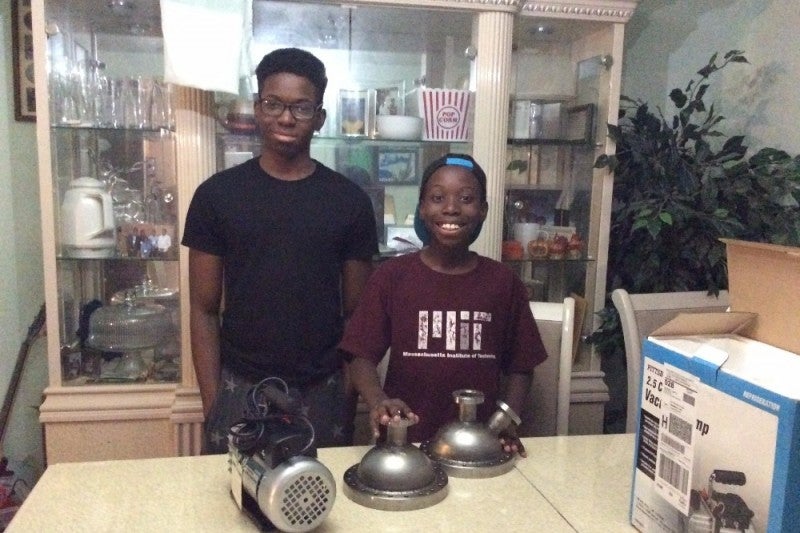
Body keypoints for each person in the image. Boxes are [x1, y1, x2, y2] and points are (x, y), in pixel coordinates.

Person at [181, 47, 379, 454]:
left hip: (322, 388)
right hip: (240, 386)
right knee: (233, 508)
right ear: (257, 109)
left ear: (320, 117)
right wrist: (214, 401)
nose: (286, 118)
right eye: (274, 104)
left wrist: (346, 397)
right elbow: (203, 308)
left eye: (301, 107)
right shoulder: (216, 196)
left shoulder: (349, 201)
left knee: (320, 509)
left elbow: (357, 314)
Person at [339, 154, 547, 456]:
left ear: (483, 210)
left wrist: (506, 419)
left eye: (466, 198)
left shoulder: (503, 281)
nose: (451, 208)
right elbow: (359, 355)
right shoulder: (392, 277)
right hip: (406, 442)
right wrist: (378, 400)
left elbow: (522, 365)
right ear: (422, 208)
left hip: (479, 445)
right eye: (437, 198)